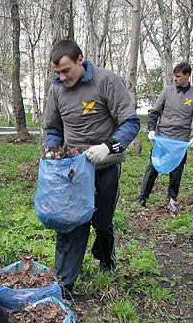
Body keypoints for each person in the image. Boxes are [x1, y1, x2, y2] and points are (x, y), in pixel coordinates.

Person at [43, 39, 141, 297]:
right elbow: (53, 128)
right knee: (71, 223)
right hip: (73, 170)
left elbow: (130, 122)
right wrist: (52, 149)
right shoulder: (56, 90)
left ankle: (106, 259)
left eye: (66, 71)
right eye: (57, 73)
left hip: (104, 165)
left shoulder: (106, 81)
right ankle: (65, 284)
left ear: (80, 60)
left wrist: (109, 147)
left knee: (102, 220)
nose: (62, 77)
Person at [137, 62, 193, 211]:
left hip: (180, 141)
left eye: (178, 76)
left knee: (176, 172)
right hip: (162, 138)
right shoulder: (167, 92)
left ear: (187, 76)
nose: (175, 79)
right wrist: (151, 129)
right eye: (174, 76)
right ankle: (142, 198)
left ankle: (171, 200)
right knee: (152, 168)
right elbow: (154, 111)